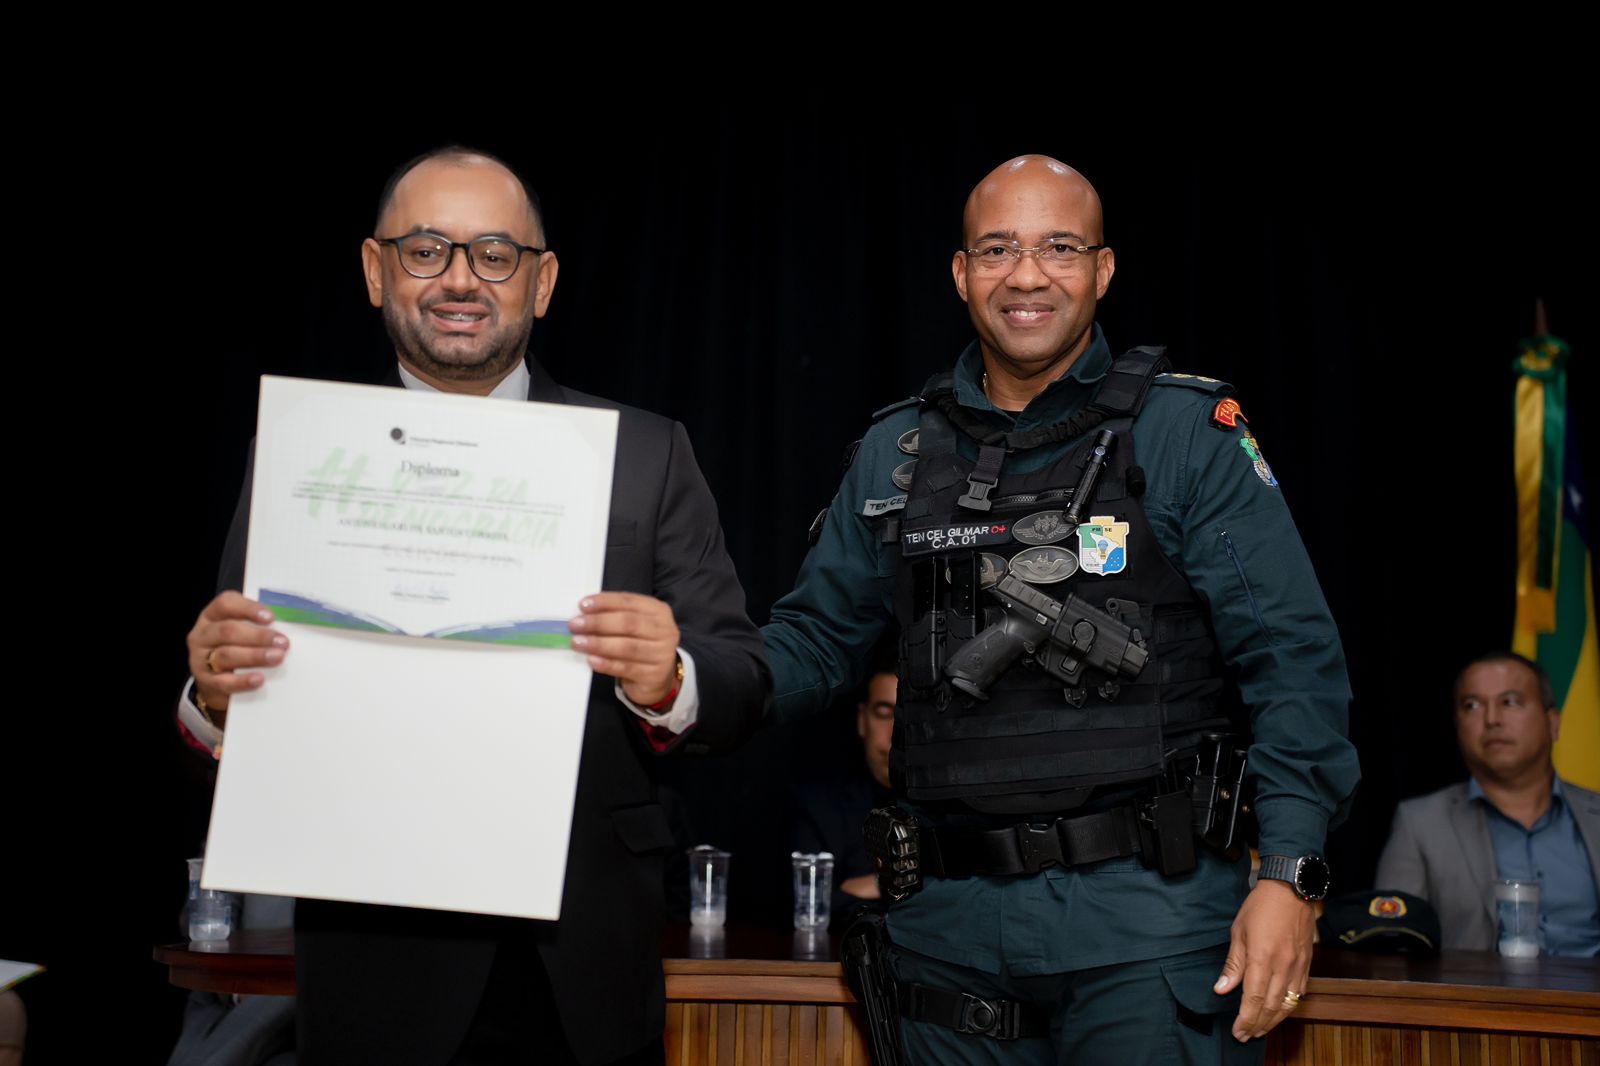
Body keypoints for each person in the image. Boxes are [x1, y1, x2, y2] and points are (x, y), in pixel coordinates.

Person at [176, 147, 768, 1066]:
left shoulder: (647, 454)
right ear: (376, 272)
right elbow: (237, 695)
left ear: (543, 282)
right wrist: (214, 698)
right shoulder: (304, 450)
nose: (461, 279)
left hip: (585, 961)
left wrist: (672, 677)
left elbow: (740, 679)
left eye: (495, 254)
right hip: (376, 958)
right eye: (426, 251)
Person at [762, 155, 1360, 1063]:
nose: (1028, 274)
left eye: (1059, 247)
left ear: (1103, 270)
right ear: (962, 274)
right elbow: (812, 643)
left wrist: (1290, 876)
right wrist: (686, 677)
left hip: (1144, 927)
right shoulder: (897, 451)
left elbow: (1294, 665)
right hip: (946, 930)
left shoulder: (1183, 436)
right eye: (997, 249)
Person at [1375, 652, 1600, 955]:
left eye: (1510, 702)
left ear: (1553, 723)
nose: (1492, 719)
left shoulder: (1594, 816)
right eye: (1473, 705)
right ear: (1457, 726)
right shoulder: (1420, 823)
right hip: (1476, 1000)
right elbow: (1389, 950)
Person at [788, 644, 897, 923]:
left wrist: (881, 885)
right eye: (884, 713)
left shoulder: (951, 808)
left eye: (906, 717)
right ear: (863, 720)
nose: (895, 733)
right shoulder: (820, 805)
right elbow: (813, 903)